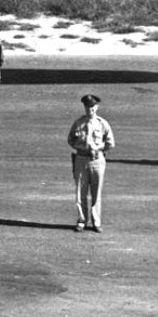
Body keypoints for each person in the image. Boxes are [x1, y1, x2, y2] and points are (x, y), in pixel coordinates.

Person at [67, 94, 115, 232]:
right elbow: (70, 139)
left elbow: (110, 143)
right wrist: (80, 147)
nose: (90, 110)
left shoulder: (102, 124)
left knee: (96, 192)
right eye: (87, 107)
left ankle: (96, 221)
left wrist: (99, 148)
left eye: (92, 107)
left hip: (97, 160)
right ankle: (82, 221)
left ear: (97, 107)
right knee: (80, 193)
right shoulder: (78, 123)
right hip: (81, 160)